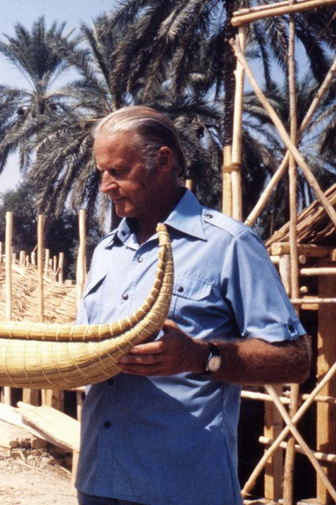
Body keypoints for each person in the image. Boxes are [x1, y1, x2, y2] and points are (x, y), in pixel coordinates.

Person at [75, 106, 311, 505]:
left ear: (162, 161)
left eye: (117, 171)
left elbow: (296, 360)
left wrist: (202, 357)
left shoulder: (229, 245)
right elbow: (83, 352)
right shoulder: (105, 252)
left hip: (181, 488)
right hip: (99, 482)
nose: (105, 186)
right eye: (102, 172)